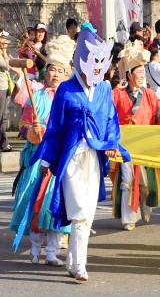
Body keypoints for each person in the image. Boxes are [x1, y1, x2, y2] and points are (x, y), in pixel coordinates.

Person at [32, 23, 129, 282]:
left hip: (94, 158)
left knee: (87, 213)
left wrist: (111, 144)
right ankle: (81, 266)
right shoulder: (66, 89)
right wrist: (46, 158)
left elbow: (111, 120)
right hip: (72, 157)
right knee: (78, 213)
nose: (96, 68)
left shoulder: (106, 89)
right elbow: (55, 127)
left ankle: (74, 264)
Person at [9, 35, 76, 265]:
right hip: (38, 159)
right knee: (37, 203)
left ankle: (52, 252)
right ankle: (36, 248)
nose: (55, 74)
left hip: (62, 159)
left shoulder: (71, 98)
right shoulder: (36, 97)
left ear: (68, 75)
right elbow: (23, 125)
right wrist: (33, 130)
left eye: (60, 70)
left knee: (56, 205)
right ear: (44, 72)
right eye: (51, 69)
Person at [112, 41, 160, 231]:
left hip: (145, 144)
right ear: (128, 75)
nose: (142, 75)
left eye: (143, 71)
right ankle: (128, 218)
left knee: (146, 181)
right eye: (138, 72)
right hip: (124, 145)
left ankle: (145, 205)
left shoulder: (149, 94)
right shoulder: (116, 95)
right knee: (127, 181)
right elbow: (108, 117)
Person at [0, 29, 11, 152]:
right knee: (1, 117)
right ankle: (4, 144)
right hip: (0, 88)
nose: (6, 41)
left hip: (4, 86)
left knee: (3, 116)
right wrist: (4, 51)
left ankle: (3, 144)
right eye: (3, 38)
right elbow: (7, 66)